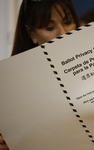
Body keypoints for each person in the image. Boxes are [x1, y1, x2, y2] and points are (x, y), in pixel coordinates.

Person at [0, 0, 79, 149]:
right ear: (32, 34)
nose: (63, 33)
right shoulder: (10, 88)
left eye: (68, 22)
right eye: (50, 28)